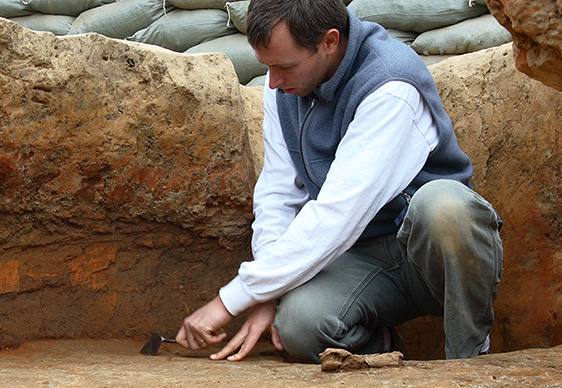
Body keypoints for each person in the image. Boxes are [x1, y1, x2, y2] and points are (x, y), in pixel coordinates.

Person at [175, 0, 504, 363]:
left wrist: (233, 298)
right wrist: (269, 292)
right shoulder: (282, 87)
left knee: (444, 208)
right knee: (298, 327)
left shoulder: (390, 84)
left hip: (431, 256)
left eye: (285, 66)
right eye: (267, 67)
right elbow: (278, 193)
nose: (273, 81)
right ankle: (384, 351)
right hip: (362, 257)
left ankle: (469, 356)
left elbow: (338, 213)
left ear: (329, 41)